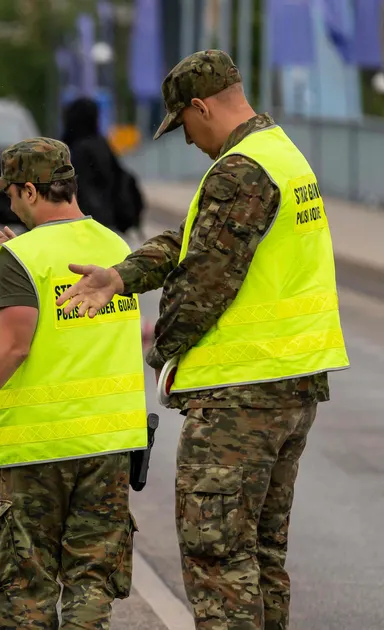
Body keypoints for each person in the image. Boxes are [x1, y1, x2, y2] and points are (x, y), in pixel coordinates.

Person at [55, 50, 349, 630]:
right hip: (292, 386)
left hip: (241, 396)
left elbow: (204, 279)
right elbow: (194, 239)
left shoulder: (241, 169)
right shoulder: (281, 155)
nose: (187, 141)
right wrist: (120, 275)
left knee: (218, 557)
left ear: (200, 105)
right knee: (260, 556)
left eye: (183, 125)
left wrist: (160, 350)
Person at [0, 138, 147, 629]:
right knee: (91, 580)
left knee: (27, 585)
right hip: (108, 446)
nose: (11, 205)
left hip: (37, 451)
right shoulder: (114, 249)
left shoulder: (19, 258)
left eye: (13, 195)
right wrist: (13, 259)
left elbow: (14, 347)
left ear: (33, 190)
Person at [61, 97, 120, 231]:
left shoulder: (79, 149)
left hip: (87, 222)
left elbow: (80, 187)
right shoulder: (102, 144)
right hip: (108, 220)